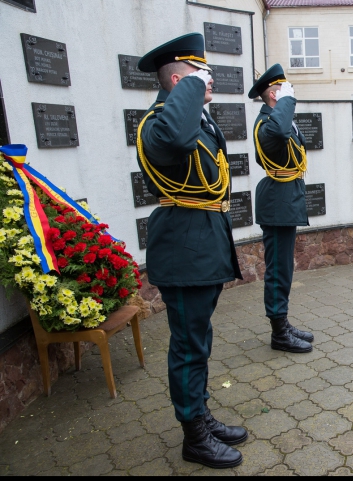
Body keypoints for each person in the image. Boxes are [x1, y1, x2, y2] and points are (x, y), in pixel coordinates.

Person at [136, 33, 246, 468]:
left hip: (202, 239)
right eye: (202, 74)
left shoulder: (192, 118)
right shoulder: (159, 124)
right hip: (183, 245)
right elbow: (177, 143)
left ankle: (200, 415)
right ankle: (193, 437)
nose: (210, 80)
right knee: (187, 345)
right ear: (178, 80)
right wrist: (189, 90)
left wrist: (192, 91)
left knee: (199, 338)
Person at [247, 64, 314, 353]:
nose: (292, 95)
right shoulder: (268, 123)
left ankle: (282, 323)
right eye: (286, 91)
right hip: (278, 201)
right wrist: (285, 101)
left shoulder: (275, 120)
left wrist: (284, 103)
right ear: (275, 94)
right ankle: (278, 334)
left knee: (285, 267)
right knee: (278, 269)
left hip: (285, 198)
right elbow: (280, 129)